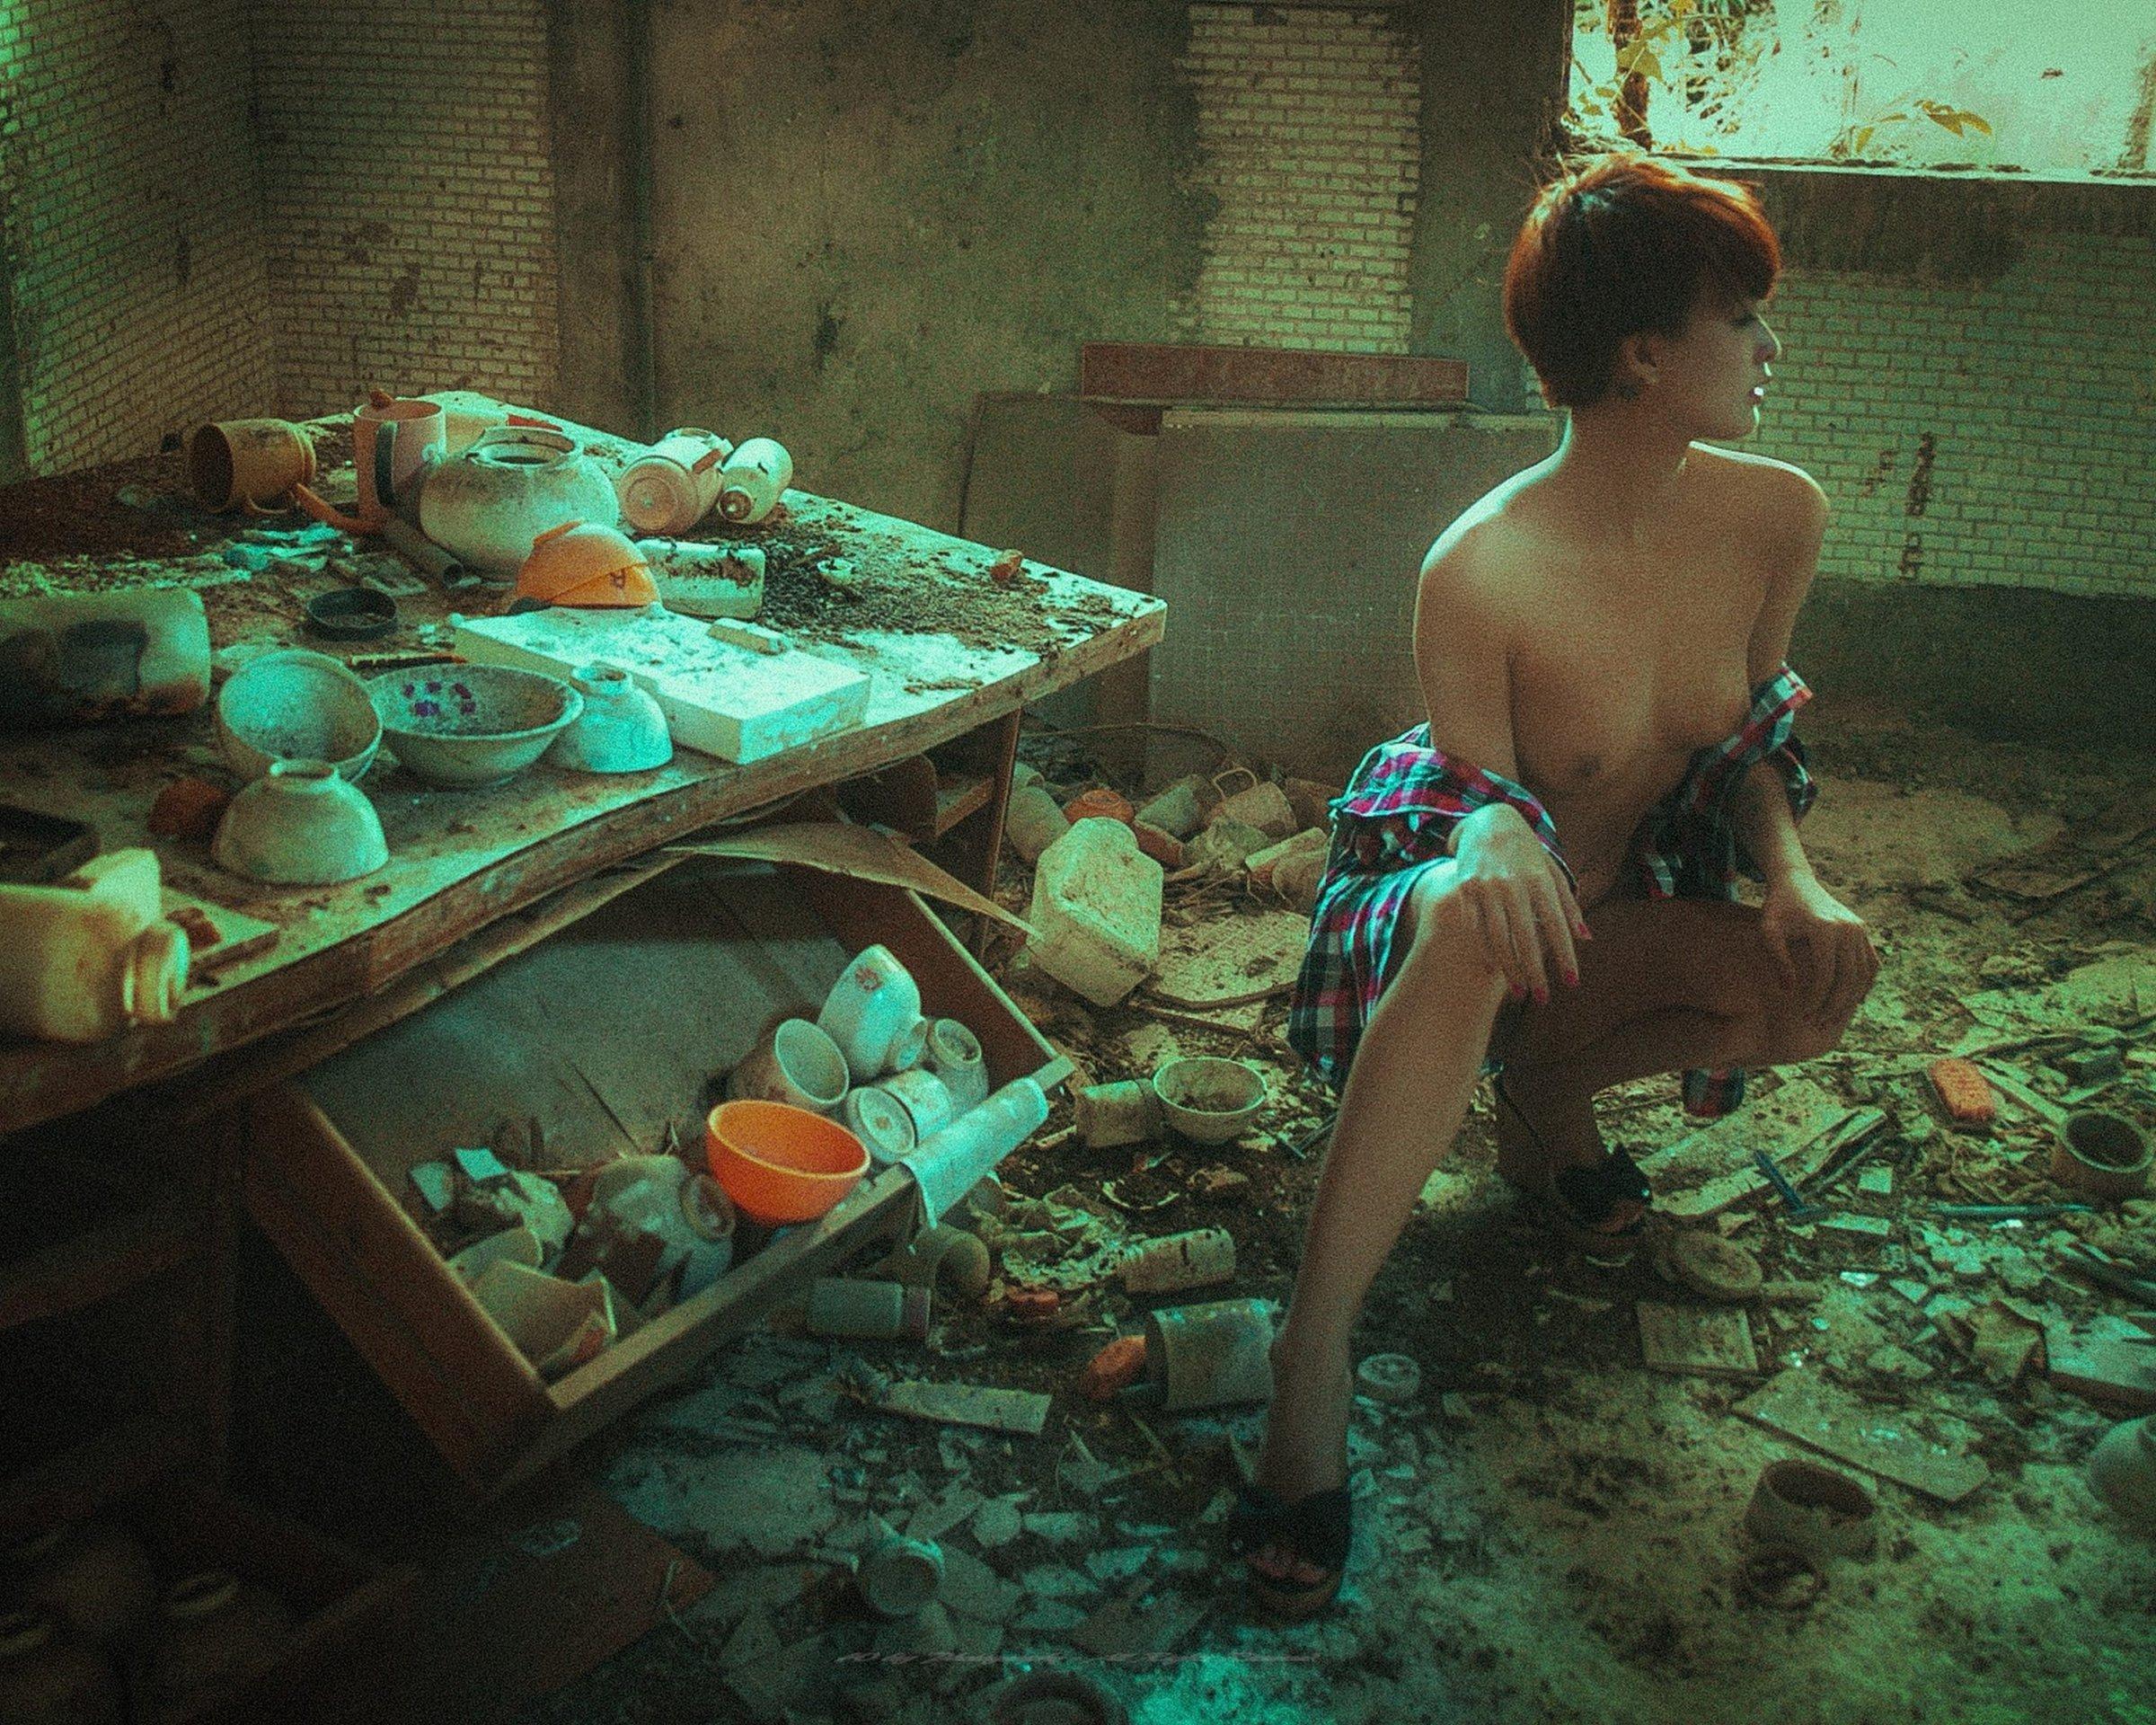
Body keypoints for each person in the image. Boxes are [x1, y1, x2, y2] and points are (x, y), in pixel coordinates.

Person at [1231, 153, 1880, 1622]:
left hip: (1610, 925)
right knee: (1480, 909)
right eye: (1741, 318)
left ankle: (1545, 1112)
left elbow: (1751, 747)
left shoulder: (1778, 517)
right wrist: (1486, 837)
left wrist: (1794, 877)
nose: (1769, 347)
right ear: (1644, 355)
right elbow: (1472, 796)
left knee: (1815, 988)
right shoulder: (1484, 567)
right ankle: (1309, 1362)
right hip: (1443, 928)